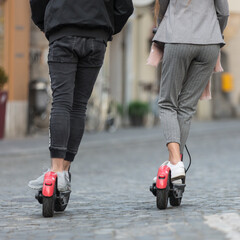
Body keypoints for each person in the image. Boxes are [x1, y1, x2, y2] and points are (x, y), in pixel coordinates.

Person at [28, 0, 134, 191]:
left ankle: (56, 171)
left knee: (61, 102)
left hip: (63, 30)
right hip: (97, 35)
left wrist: (46, 24)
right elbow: (125, 7)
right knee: (78, 106)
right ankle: (64, 171)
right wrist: (105, 27)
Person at [151, 0, 229, 181]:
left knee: (167, 103)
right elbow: (223, 13)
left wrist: (161, 26)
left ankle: (175, 162)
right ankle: (176, 163)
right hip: (210, 44)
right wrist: (214, 32)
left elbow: (162, 7)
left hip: (178, 39)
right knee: (186, 107)